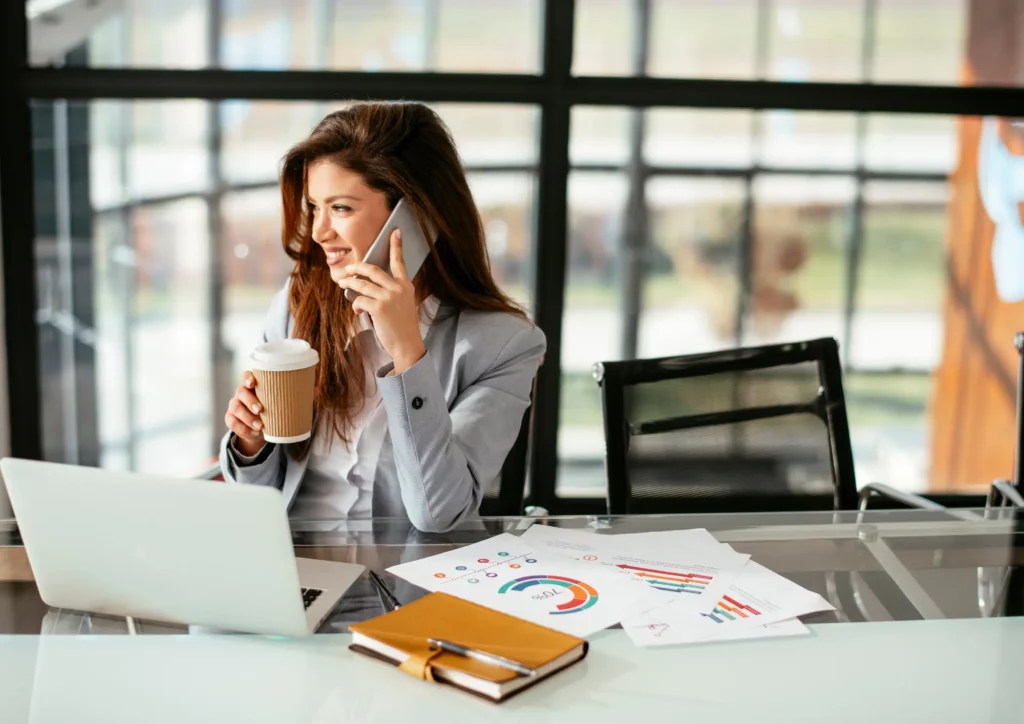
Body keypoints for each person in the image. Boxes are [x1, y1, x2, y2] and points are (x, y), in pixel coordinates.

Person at [219, 102, 545, 533]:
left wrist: (408, 354)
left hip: (408, 581)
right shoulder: (296, 308)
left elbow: (438, 514)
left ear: (414, 216)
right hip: (296, 570)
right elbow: (257, 499)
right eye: (314, 206)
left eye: (341, 208)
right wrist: (251, 444)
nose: (318, 232)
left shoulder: (503, 345)